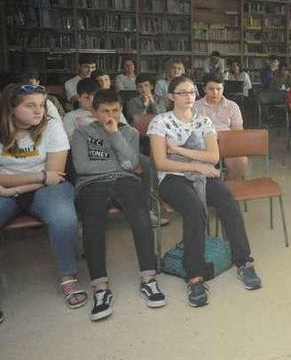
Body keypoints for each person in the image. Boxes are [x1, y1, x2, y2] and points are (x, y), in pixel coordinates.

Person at [148, 76, 262, 308]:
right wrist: (197, 165)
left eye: (191, 92)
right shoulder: (160, 122)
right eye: (182, 93)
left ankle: (244, 262)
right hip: (172, 178)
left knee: (228, 202)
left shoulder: (204, 121)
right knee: (194, 209)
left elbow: (214, 157)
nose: (189, 96)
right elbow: (161, 162)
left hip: (201, 175)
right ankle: (195, 275)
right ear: (171, 96)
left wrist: (179, 150)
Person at [71, 89, 165, 321]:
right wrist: (118, 165)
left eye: (115, 110)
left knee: (142, 219)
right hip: (92, 184)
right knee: (93, 225)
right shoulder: (82, 132)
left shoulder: (129, 132)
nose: (110, 116)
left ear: (120, 110)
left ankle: (148, 279)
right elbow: (82, 166)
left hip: (126, 181)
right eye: (105, 111)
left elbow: (132, 163)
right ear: (94, 112)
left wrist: (114, 135)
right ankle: (100, 288)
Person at [0, 83, 84, 309]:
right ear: (11, 108)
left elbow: (55, 174)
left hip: (44, 189)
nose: (39, 111)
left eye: (42, 105)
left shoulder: (52, 126)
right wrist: (40, 176)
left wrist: (12, 188)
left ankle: (68, 277)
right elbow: (46, 175)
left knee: (64, 217)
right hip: (20, 187)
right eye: (30, 106)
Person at [193, 74, 247, 181]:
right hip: (204, 144)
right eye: (211, 89)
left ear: (223, 89)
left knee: (241, 161)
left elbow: (238, 131)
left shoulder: (233, 106)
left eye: (219, 89)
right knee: (198, 164)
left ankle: (226, 188)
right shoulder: (195, 107)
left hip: (228, 143)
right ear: (204, 89)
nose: (215, 92)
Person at [63, 77, 129, 139]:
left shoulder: (112, 111)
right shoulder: (70, 117)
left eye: (94, 96)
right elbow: (71, 140)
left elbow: (127, 132)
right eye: (87, 97)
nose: (91, 101)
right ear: (79, 98)